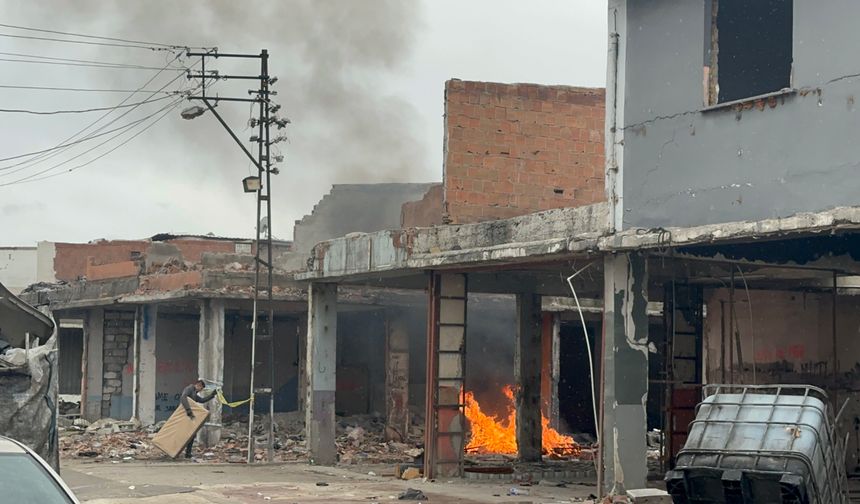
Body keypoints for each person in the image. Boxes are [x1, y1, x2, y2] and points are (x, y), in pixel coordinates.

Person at [180, 379, 214, 458]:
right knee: (188, 434)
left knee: (192, 435)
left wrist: (212, 395)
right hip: (185, 415)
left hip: (189, 416)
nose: (200, 391)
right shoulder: (190, 388)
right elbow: (183, 398)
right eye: (201, 389)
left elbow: (201, 400)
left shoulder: (194, 392)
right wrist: (189, 411)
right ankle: (186, 453)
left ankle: (188, 453)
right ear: (198, 385)